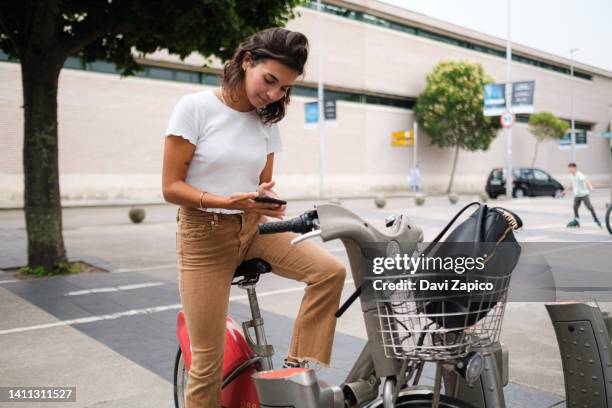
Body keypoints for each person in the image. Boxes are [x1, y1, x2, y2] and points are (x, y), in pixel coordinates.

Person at [161, 28, 346, 407]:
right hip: (204, 237)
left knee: (330, 272)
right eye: (270, 80)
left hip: (254, 228)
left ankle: (294, 372)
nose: (274, 94)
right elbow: (170, 187)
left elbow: (262, 185)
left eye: (284, 88)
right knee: (207, 362)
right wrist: (225, 202)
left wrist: (268, 200)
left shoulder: (266, 121)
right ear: (247, 61)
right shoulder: (195, 107)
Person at [562, 162, 602, 228]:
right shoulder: (572, 175)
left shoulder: (579, 174)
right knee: (575, 207)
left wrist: (590, 186)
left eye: (570, 168)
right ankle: (577, 220)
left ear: (574, 168)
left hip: (584, 195)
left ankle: (596, 219)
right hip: (577, 195)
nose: (569, 170)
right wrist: (564, 191)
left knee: (589, 207)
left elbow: (586, 180)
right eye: (569, 169)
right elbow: (570, 184)